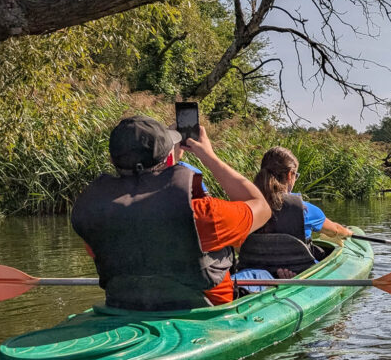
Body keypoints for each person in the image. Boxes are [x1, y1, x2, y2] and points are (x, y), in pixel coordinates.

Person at [71, 115, 271, 310]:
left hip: (126, 307)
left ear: (112, 159)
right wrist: (209, 157)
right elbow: (261, 206)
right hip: (206, 312)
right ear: (168, 157)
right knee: (262, 275)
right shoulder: (201, 213)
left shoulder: (97, 215)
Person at [235, 146, 353, 284]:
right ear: (290, 175)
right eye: (295, 175)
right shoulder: (305, 210)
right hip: (299, 271)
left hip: (255, 272)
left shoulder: (245, 207)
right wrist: (349, 232)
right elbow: (335, 231)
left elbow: (237, 246)